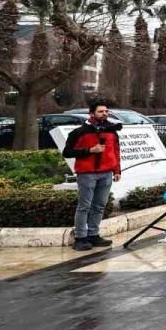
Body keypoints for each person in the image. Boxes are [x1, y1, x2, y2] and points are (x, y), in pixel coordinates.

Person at [62, 100, 122, 250]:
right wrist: (89, 151)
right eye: (101, 111)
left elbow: (115, 152)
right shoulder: (79, 132)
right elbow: (67, 152)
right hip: (87, 173)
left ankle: (93, 234)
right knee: (84, 206)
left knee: (100, 205)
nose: (104, 114)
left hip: (106, 173)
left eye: (106, 111)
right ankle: (80, 237)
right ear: (92, 114)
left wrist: (117, 170)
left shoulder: (111, 131)